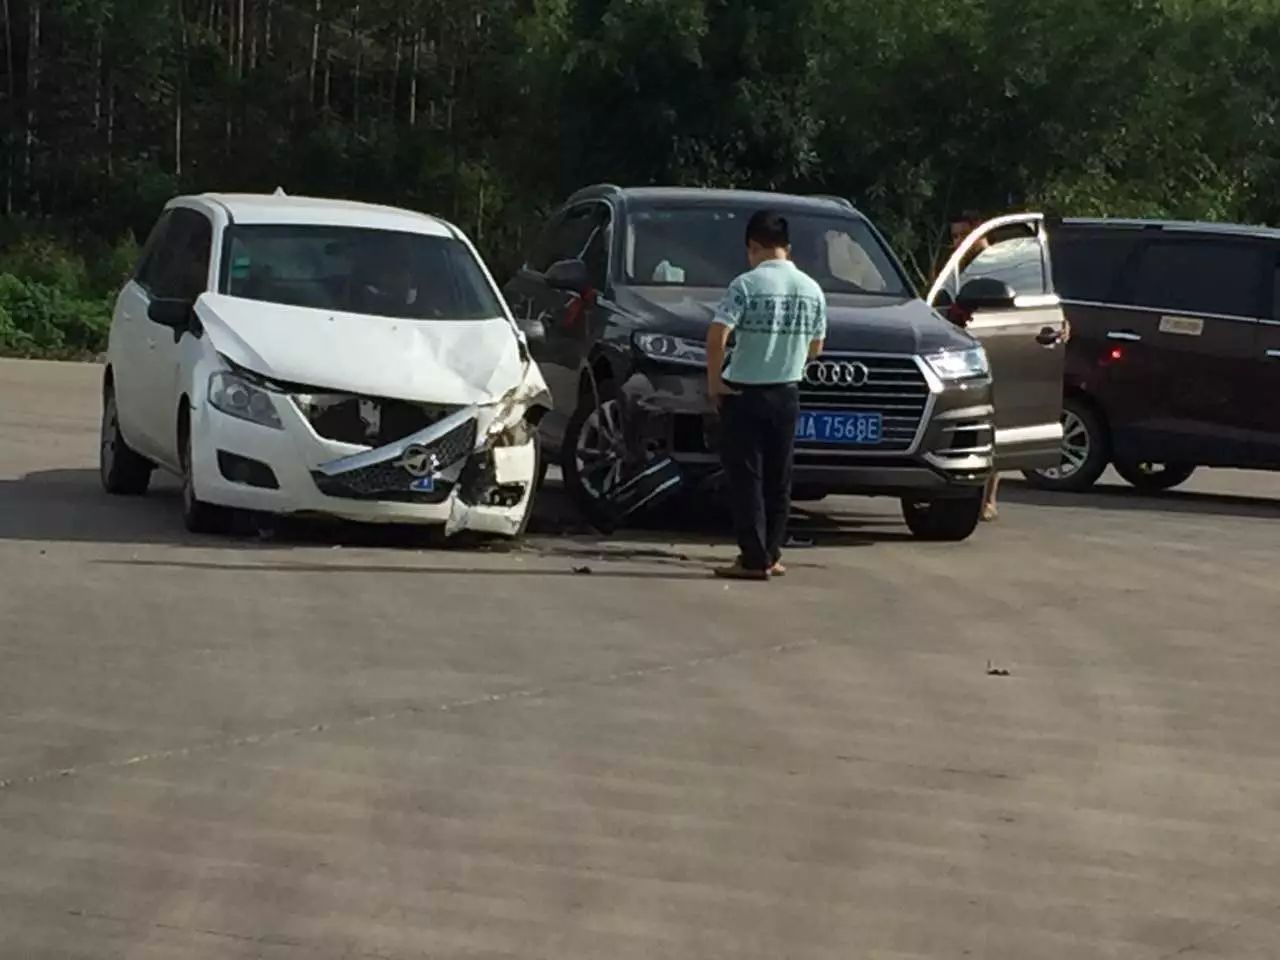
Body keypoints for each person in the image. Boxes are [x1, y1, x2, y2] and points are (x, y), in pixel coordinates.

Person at [706, 210, 827, 581]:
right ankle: (772, 553)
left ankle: (752, 557)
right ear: (787, 249)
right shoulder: (811, 289)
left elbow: (716, 336)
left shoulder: (745, 285)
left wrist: (715, 382)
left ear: (753, 246)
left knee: (747, 479)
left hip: (744, 392)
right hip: (787, 392)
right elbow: (817, 348)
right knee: (779, 478)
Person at [948, 211, 1000, 522]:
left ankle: (989, 499)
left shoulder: (999, 264)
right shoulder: (955, 267)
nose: (957, 242)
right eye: (954, 237)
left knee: (993, 424)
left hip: (995, 347)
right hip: (961, 351)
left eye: (961, 235)